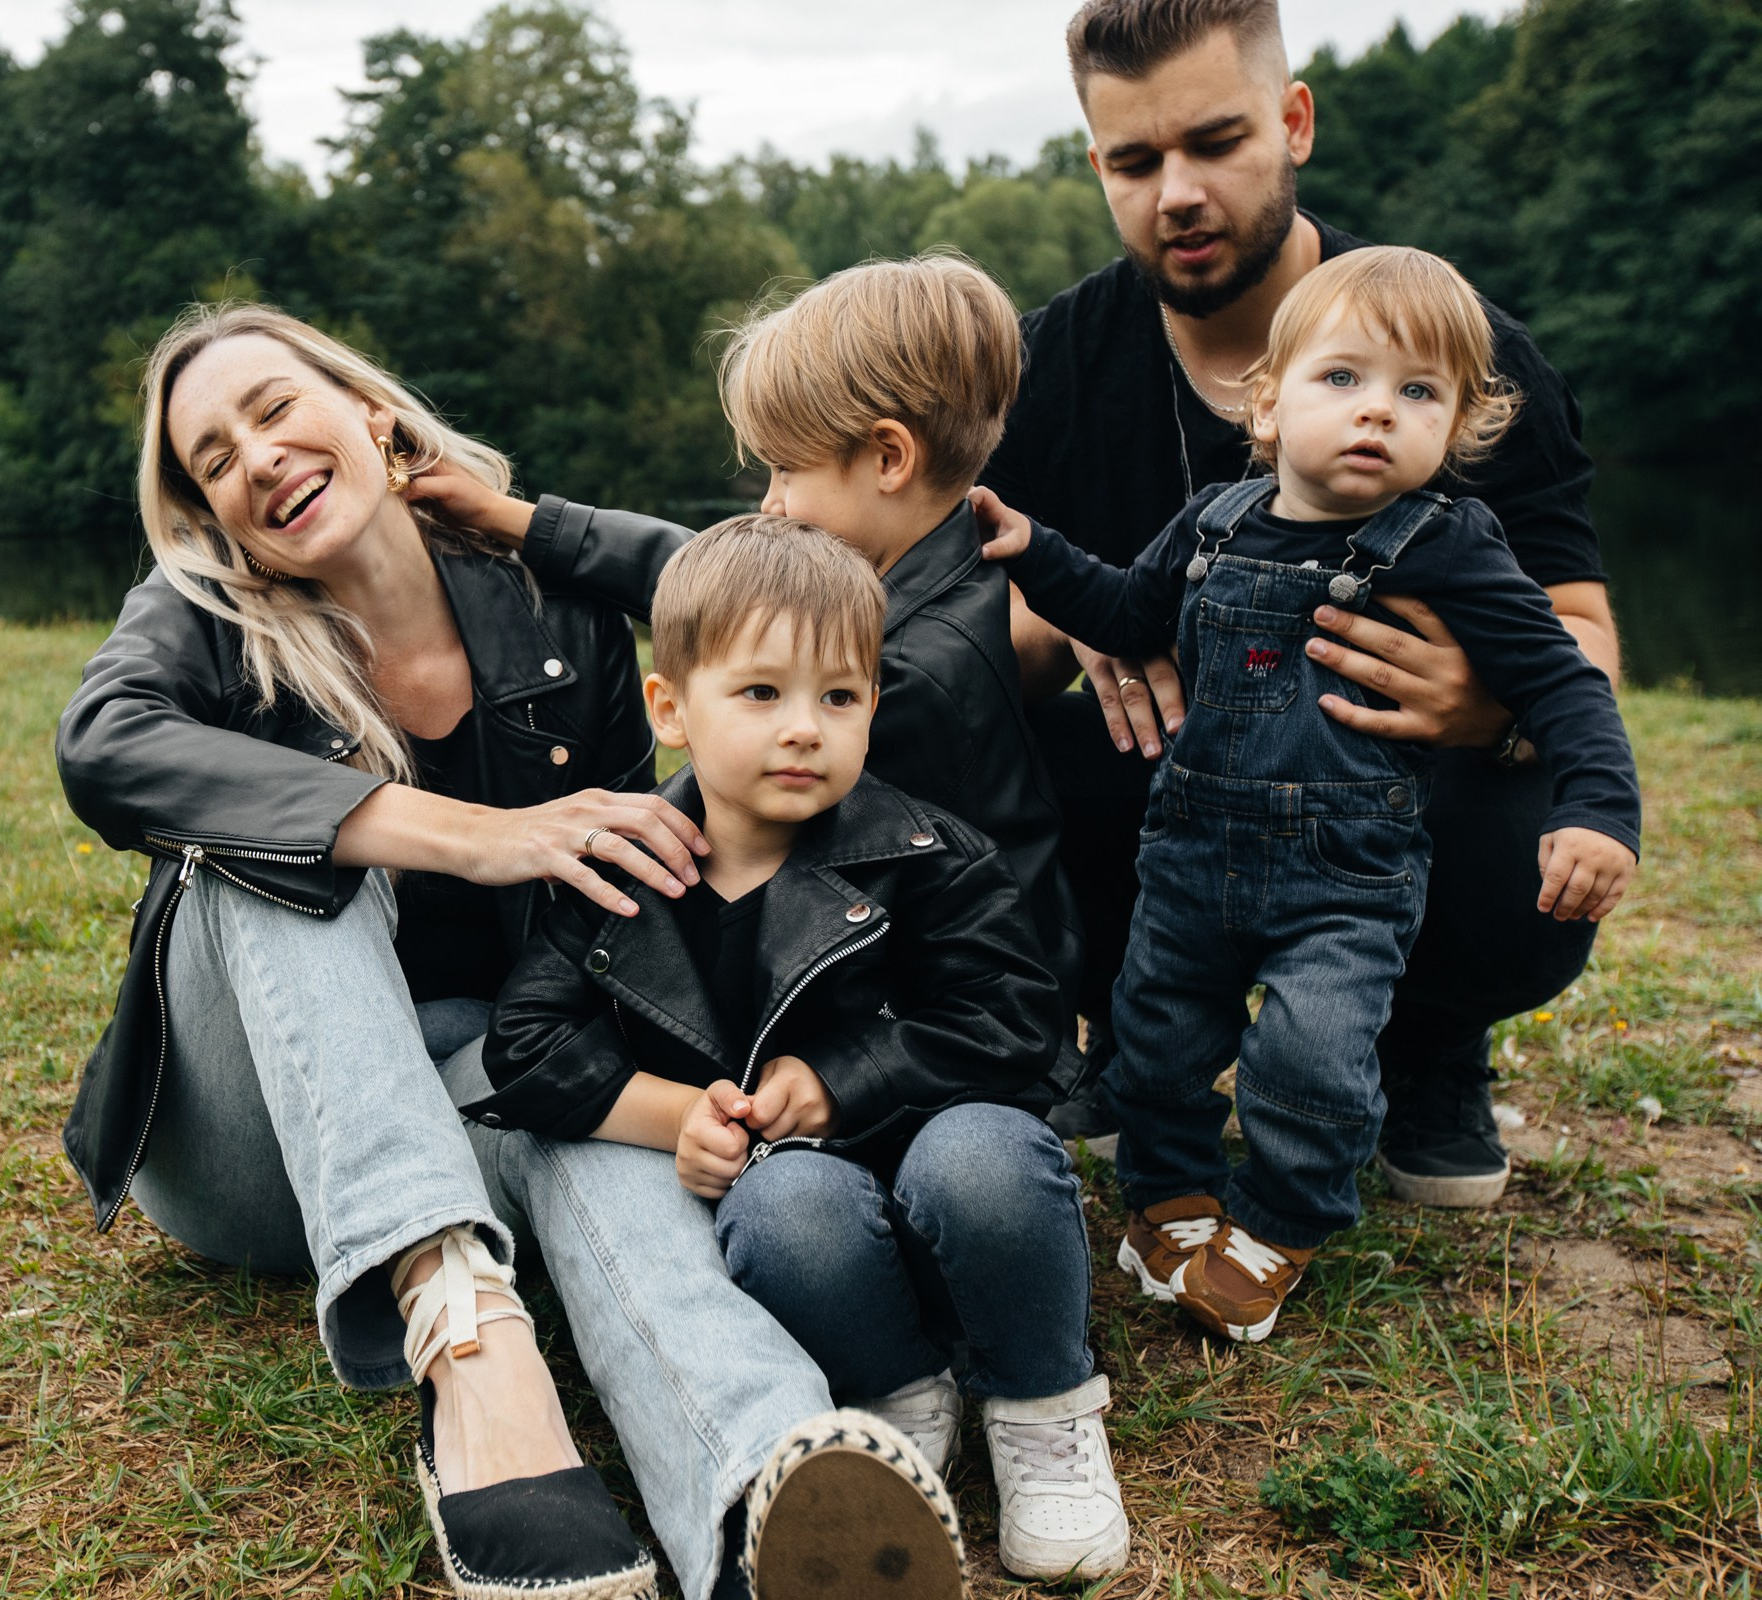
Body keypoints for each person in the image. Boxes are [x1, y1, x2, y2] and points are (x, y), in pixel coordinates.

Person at [55, 302, 934, 1600]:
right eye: (212, 459)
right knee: (284, 842)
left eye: (275, 407)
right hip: (257, 1151)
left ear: (368, 409)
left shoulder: (547, 602)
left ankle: (761, 1479)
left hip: (477, 1092)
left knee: (585, 1110)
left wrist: (536, 523)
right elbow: (102, 744)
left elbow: (763, 600)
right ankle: (467, 1347)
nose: (255, 458)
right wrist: (476, 837)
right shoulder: (208, 618)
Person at [983, 0, 1624, 1207]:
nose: (1176, 191)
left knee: (1542, 772)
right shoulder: (1050, 366)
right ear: (1098, 168)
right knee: (990, 731)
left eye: (1215, 143)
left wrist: (1487, 703)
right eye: (1135, 160)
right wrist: (1067, 617)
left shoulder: (1452, 354)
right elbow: (954, 645)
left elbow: (1584, 637)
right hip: (1190, 801)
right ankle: (1134, 1033)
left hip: (1391, 801)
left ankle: (1425, 1036)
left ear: (1294, 124)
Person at [976, 246, 1639, 1343]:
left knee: (1311, 1059)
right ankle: (1172, 1197)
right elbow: (1124, 608)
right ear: (1269, 403)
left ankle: (1280, 1219)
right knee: (1157, 1035)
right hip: (1190, 857)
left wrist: (1598, 811)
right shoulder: (1213, 523)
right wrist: (1032, 549)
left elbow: (1565, 680)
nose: (1379, 411)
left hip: (1347, 877)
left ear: (1457, 429)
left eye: (1418, 393)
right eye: (1345, 379)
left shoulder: (1451, 546)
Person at [466, 516, 1132, 1582]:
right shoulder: (624, 876)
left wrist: (839, 1082)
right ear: (671, 708)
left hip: (955, 1194)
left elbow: (1018, 1022)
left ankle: (1041, 1400)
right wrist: (675, 1113)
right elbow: (530, 1043)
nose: (804, 729)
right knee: (783, 1204)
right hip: (812, 1238)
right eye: (762, 693)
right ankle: (897, 1390)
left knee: (981, 1156)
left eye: (840, 696)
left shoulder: (922, 850)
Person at [411, 255, 1085, 1088]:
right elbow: (700, 576)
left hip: (948, 1042)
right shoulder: (926, 581)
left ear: (887, 458)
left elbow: (901, 937)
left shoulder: (909, 675)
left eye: (787, 470)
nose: (768, 502)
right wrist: (519, 521)